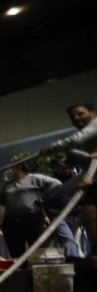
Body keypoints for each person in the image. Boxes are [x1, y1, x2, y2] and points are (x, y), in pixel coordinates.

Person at [41, 102, 97, 258]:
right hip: (93, 182)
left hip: (93, 180)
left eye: (80, 113)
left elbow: (76, 139)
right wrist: (56, 164)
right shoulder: (83, 141)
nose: (76, 118)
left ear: (92, 112)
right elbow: (69, 163)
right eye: (73, 116)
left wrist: (51, 148)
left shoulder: (94, 126)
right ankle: (95, 251)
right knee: (88, 215)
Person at [0, 161, 61, 258]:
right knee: (16, 251)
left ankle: (38, 269)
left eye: (13, 166)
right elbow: (0, 198)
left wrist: (42, 197)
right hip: (12, 220)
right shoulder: (8, 184)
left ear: (20, 166)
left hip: (31, 217)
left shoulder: (34, 178)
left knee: (37, 249)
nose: (11, 169)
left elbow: (57, 184)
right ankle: (20, 270)